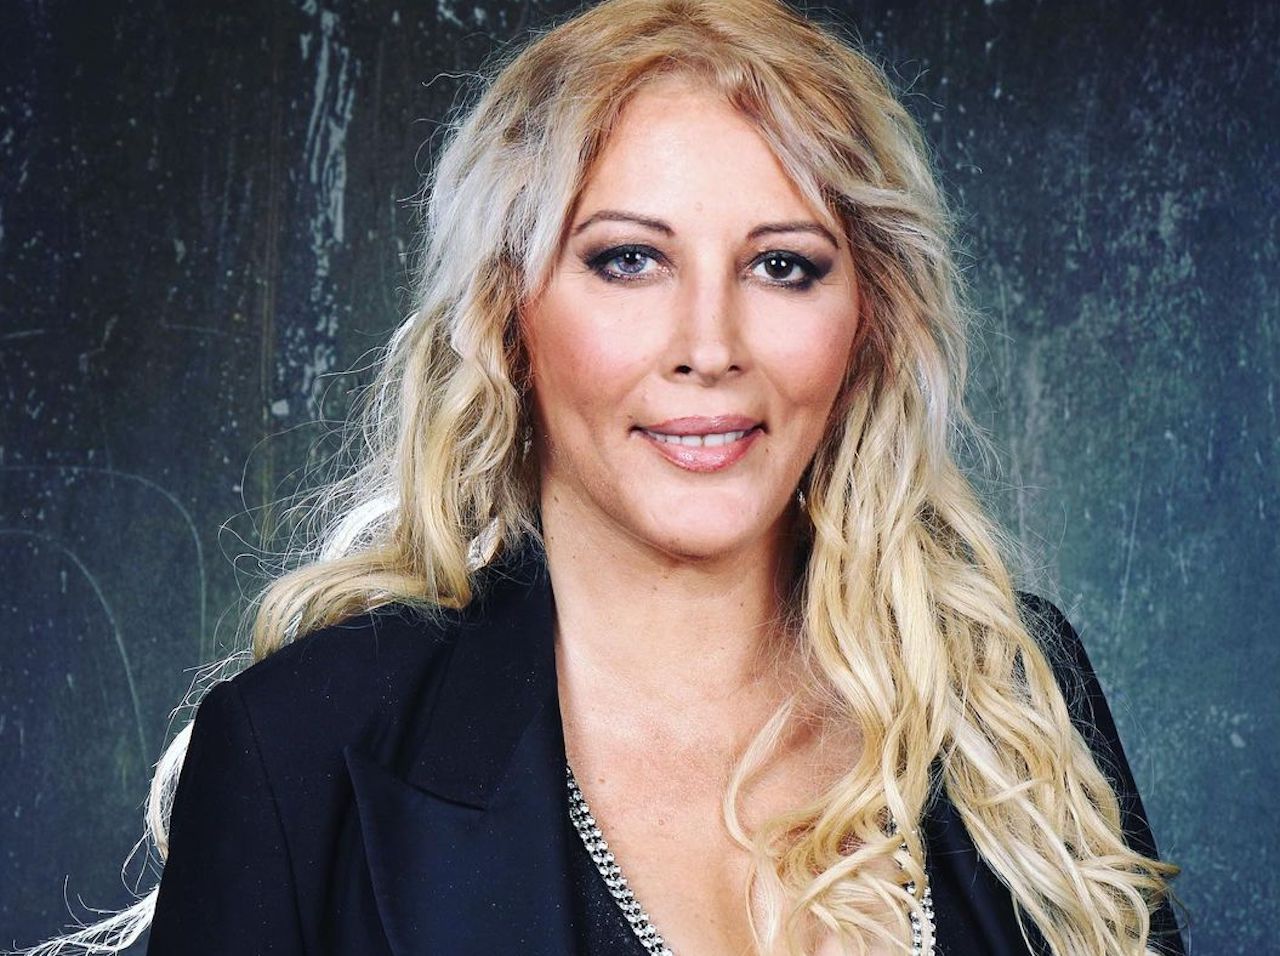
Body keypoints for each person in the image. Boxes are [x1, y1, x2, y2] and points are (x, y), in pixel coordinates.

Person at [18, 0, 1184, 953]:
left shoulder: (1008, 689)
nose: (708, 344)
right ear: (506, 313)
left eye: (783, 266)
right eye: (628, 259)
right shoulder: (296, 752)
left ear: (866, 320)